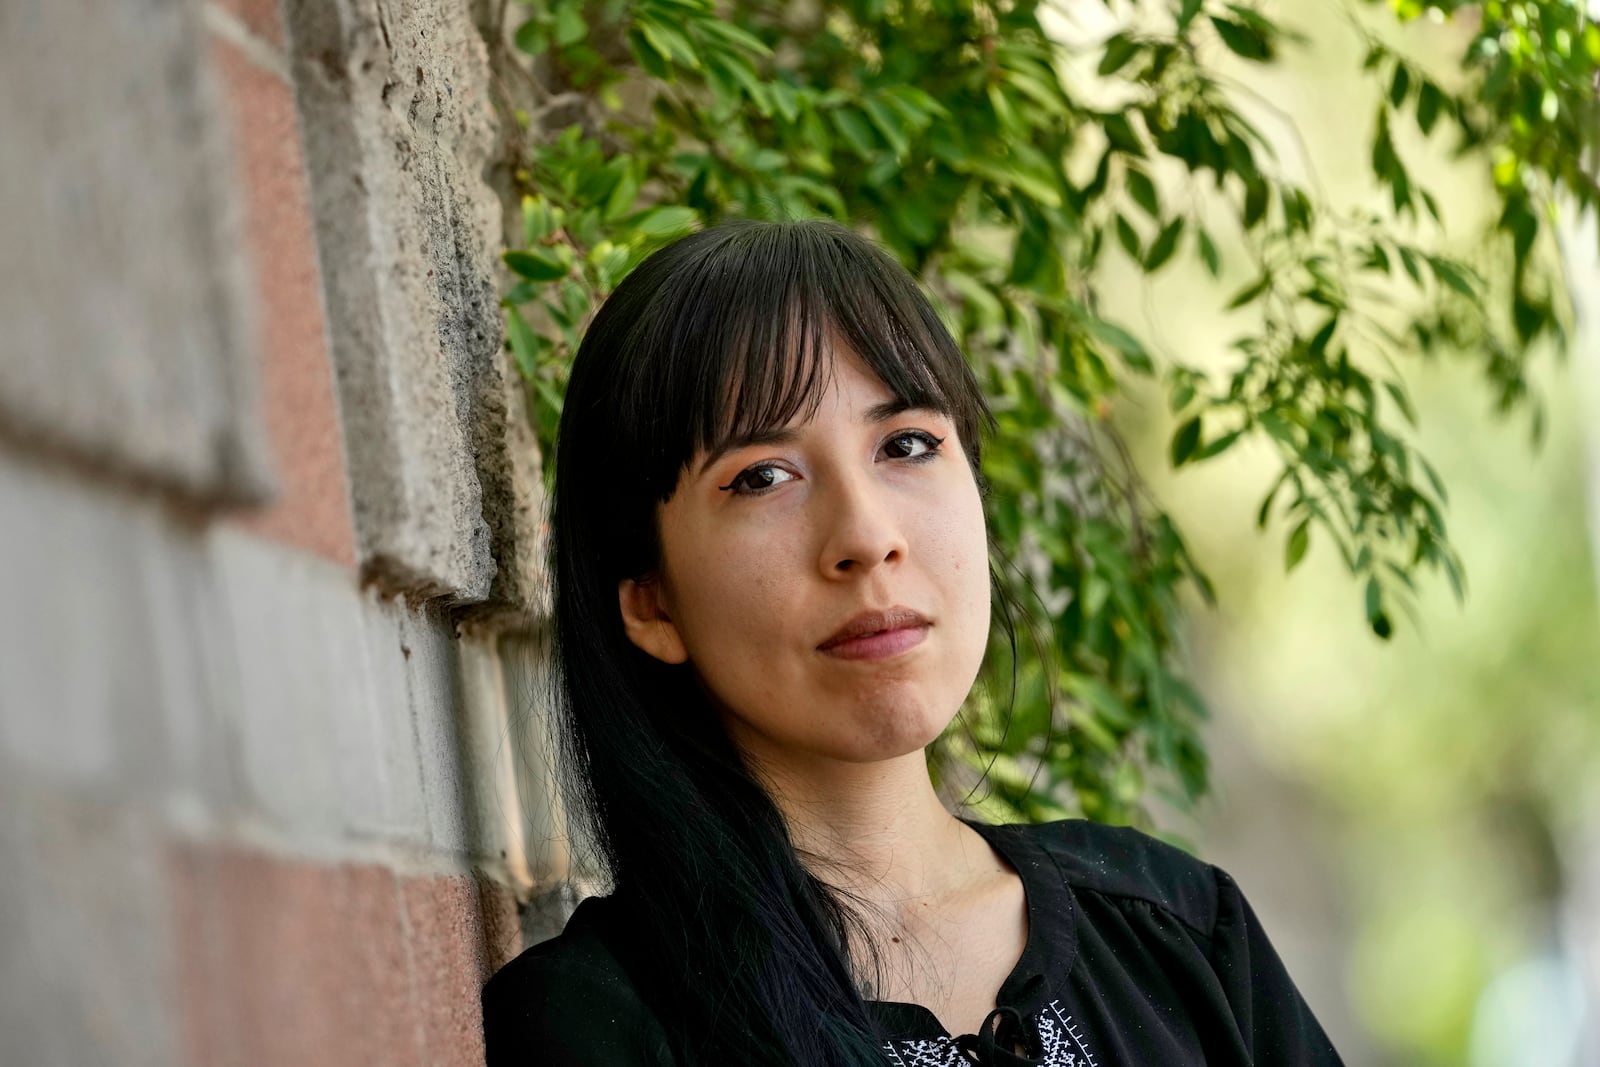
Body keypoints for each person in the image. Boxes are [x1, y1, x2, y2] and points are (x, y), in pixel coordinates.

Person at [481, 218, 1344, 1066]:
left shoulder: (1180, 930)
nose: (866, 533)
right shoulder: (598, 1028)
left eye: (906, 444)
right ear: (650, 602)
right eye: (762, 476)